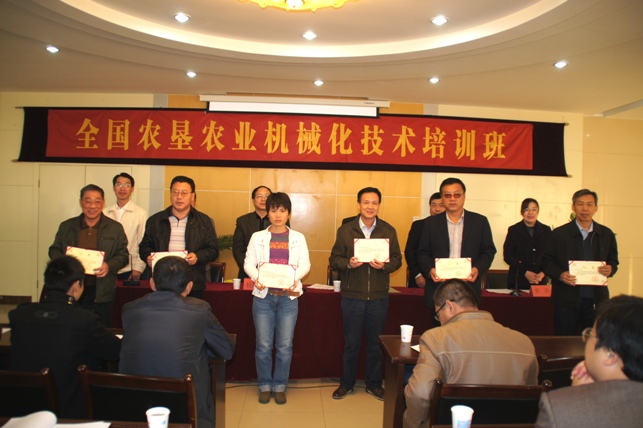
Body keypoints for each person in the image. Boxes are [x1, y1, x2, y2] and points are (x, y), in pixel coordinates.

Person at [404, 279, 538, 428]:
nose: (439, 320)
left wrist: (412, 424)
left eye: (438, 314)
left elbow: (420, 394)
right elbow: (531, 399)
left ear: (449, 306)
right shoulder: (524, 342)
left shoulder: (435, 338)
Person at [119, 256, 235, 428]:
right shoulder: (200, 309)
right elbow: (226, 350)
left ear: (152, 283)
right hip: (185, 405)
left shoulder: (129, 309)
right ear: (189, 286)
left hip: (135, 404)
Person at [9, 255, 121, 419]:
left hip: (20, 408)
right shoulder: (83, 319)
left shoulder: (18, 315)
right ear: (76, 285)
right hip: (69, 410)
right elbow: (114, 351)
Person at [329, 187, 402, 401]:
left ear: (379, 205)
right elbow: (334, 259)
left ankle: (374, 384)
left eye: (374, 203)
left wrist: (385, 266)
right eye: (366, 202)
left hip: (378, 297)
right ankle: (347, 383)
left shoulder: (388, 230)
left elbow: (397, 259)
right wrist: (348, 263)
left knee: (375, 345)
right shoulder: (346, 230)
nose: (370, 206)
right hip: (352, 296)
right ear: (359, 204)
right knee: (351, 344)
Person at [535, 295, 643, 428]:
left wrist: (576, 400)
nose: (586, 340)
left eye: (591, 334)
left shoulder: (558, 409)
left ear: (610, 355)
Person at [243, 192, 310, 405]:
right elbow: (248, 263)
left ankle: (280, 386)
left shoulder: (298, 237)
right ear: (268, 212)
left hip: (288, 299)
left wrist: (293, 278)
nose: (278, 215)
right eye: (273, 210)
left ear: (289, 213)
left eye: (282, 210)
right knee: (263, 345)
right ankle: (264, 385)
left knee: (284, 346)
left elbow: (305, 265)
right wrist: (257, 278)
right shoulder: (258, 237)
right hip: (263, 297)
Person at [49, 184, 129, 327]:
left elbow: (123, 256)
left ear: (103, 203)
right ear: (81, 202)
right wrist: (66, 265)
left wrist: (109, 266)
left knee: (101, 328)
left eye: (97, 201)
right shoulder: (66, 226)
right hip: (72, 286)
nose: (92, 206)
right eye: (88, 201)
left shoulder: (115, 228)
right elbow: (54, 251)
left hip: (102, 290)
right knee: (71, 327)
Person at [541, 189, 618, 335]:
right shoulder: (559, 234)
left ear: (596, 208)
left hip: (596, 299)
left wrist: (611, 269)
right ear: (573, 207)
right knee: (564, 341)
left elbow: (613, 260)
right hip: (566, 300)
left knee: (594, 341)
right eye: (580, 204)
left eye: (589, 204)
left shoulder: (605, 234)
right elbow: (545, 261)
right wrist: (560, 274)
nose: (585, 209)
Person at [417, 177, 496, 308]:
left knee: (467, 321)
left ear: (464, 196)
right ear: (442, 198)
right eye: (447, 195)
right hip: (439, 287)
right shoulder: (431, 223)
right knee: (439, 321)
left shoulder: (479, 222)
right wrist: (430, 269)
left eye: (457, 195)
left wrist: (477, 268)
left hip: (468, 287)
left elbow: (488, 251)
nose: (452, 199)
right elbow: (422, 253)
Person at [139, 175, 219, 299]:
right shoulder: (155, 220)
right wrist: (148, 256)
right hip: (162, 281)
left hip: (192, 281)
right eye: (175, 192)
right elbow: (144, 246)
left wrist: (197, 257)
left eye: (184, 193)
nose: (179, 197)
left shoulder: (204, 221)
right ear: (170, 194)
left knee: (191, 311)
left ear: (192, 196)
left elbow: (213, 250)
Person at [103, 172, 148, 281]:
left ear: (132, 189)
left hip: (129, 269)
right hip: (106, 267)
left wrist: (138, 268)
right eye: (119, 184)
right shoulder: (104, 213)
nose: (122, 188)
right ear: (114, 188)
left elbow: (143, 242)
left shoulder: (140, 213)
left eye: (127, 185)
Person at [503, 198, 551, 290]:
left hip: (540, 280)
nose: (530, 213)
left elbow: (551, 255)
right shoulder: (514, 230)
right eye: (526, 209)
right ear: (521, 212)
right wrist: (524, 271)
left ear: (538, 212)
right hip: (518, 280)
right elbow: (508, 256)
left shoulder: (546, 230)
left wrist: (543, 273)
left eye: (534, 209)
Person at [405, 192, 445, 288]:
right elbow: (410, 252)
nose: (437, 209)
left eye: (441, 205)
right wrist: (417, 275)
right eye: (433, 205)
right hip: (421, 278)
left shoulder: (452, 227)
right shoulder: (418, 226)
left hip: (445, 279)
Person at [233, 185, 272, 280]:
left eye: (266, 196)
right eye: (259, 196)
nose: (263, 199)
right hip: (247, 274)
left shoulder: (279, 220)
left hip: (272, 273)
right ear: (253, 200)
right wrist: (249, 268)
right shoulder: (243, 221)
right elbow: (238, 249)